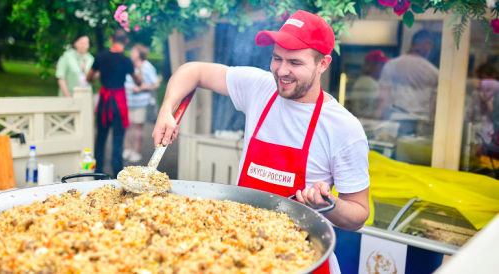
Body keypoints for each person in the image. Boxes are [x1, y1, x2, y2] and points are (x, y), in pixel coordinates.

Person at [153, 10, 369, 274]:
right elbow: (193, 71)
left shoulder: (344, 128)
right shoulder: (260, 87)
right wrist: (166, 110)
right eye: (277, 58)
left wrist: (328, 205)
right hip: (241, 252)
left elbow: (359, 214)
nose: (282, 71)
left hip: (299, 259)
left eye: (295, 62)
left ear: (323, 63)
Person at [87, 29, 142, 176]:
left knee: (101, 137)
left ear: (111, 40)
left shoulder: (100, 57)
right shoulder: (126, 60)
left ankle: (98, 172)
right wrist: (138, 68)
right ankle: (117, 172)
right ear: (126, 41)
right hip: (119, 102)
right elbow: (138, 81)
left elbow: (89, 78)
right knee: (118, 138)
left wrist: (99, 74)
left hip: (105, 101)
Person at [373, 30, 439, 135]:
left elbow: (382, 99)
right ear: (427, 45)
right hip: (423, 123)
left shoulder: (392, 65)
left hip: (397, 121)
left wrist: (376, 121)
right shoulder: (434, 72)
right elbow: (434, 107)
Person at [123, 43, 160, 163]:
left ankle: (137, 152)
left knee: (138, 127)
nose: (131, 53)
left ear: (140, 53)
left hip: (141, 103)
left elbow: (155, 84)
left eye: (134, 51)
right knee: (127, 127)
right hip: (128, 101)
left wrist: (140, 88)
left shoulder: (147, 67)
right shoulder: (130, 65)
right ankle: (128, 149)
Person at [350, 50, 388, 118]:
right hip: (368, 124)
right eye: (381, 64)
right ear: (372, 65)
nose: (383, 68)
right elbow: (368, 113)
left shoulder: (363, 81)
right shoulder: (369, 83)